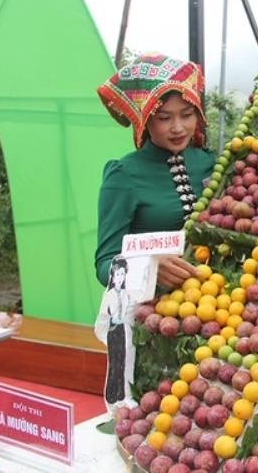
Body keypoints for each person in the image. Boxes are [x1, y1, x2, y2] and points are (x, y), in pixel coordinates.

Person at [95, 53, 215, 289]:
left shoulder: (210, 163)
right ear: (145, 119)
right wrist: (147, 268)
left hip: (218, 305)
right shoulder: (123, 175)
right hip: (153, 314)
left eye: (187, 115)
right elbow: (104, 265)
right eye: (164, 118)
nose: (178, 128)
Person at [102, 256, 129, 404]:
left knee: (123, 360)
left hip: (123, 328)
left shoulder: (126, 294)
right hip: (113, 328)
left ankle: (121, 393)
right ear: (112, 276)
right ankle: (111, 393)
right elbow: (105, 314)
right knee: (114, 361)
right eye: (118, 274)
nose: (120, 277)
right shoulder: (110, 294)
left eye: (123, 274)